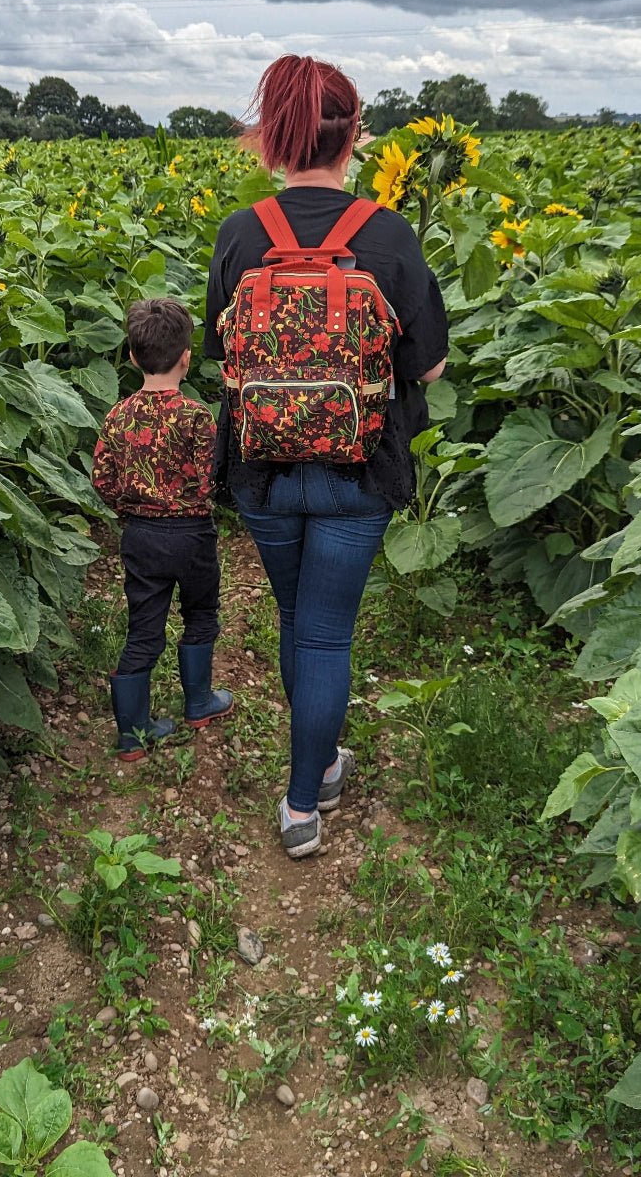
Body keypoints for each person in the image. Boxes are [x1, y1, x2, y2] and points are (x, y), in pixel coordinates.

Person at [204, 54, 448, 858]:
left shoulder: (242, 234)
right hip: (361, 471)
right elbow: (428, 365)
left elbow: (220, 351)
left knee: (293, 618)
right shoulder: (388, 232)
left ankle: (316, 764)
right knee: (326, 634)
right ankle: (305, 797)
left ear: (271, 137)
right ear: (356, 138)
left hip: (263, 472)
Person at [92, 297, 233, 760]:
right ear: (187, 357)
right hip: (191, 533)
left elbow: (102, 479)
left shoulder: (118, 416)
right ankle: (198, 703)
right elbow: (212, 475)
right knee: (201, 615)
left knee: (144, 630)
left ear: (132, 357)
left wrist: (127, 510)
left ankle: (132, 735)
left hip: (142, 536)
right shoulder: (195, 416)